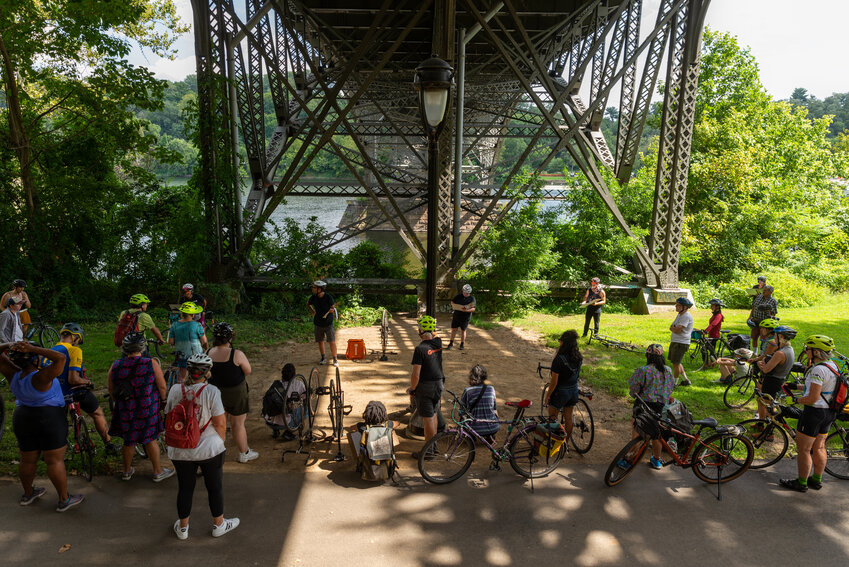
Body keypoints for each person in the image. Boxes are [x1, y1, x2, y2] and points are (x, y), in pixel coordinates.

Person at [1, 340, 84, 511]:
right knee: (54, 461)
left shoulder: (12, 373)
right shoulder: (41, 377)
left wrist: (10, 344)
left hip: (23, 417)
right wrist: (33, 348)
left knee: (27, 459)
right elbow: (60, 358)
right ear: (34, 360)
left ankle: (28, 493)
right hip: (49, 418)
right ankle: (64, 499)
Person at [166, 353, 238, 539]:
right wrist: (219, 443)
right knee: (214, 487)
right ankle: (219, 525)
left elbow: (168, 416)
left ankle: (183, 529)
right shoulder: (212, 391)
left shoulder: (175, 389)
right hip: (209, 449)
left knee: (185, 488)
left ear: (189, 371)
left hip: (180, 450)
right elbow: (220, 423)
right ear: (206, 373)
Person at [108, 332, 173, 482]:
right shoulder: (150, 363)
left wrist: (119, 402)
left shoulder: (116, 365)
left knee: (129, 440)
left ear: (124, 349)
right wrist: (163, 401)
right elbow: (162, 387)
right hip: (147, 407)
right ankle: (157, 471)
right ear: (142, 348)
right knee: (150, 438)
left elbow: (111, 388)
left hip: (126, 408)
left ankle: (126, 471)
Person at [780, 335, 839, 492]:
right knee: (819, 447)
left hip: (814, 413)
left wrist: (795, 401)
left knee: (804, 450)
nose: (805, 352)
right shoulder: (833, 366)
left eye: (808, 349)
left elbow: (812, 397)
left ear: (817, 353)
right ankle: (816, 480)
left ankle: (801, 483)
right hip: (828, 412)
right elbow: (821, 389)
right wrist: (795, 386)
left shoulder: (818, 369)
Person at [49, 323, 119, 454]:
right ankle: (108, 444)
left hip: (55, 395)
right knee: (97, 413)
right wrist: (87, 382)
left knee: (58, 423)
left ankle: (54, 450)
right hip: (74, 391)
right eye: (78, 341)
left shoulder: (50, 350)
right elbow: (73, 379)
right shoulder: (74, 350)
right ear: (75, 337)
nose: (78, 344)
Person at [207, 322, 258, 463]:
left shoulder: (208, 353)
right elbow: (247, 371)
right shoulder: (236, 354)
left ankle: (216, 453)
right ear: (230, 338)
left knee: (219, 423)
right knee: (238, 424)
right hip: (236, 393)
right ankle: (244, 453)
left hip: (215, 393)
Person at [627, 344, 676, 469]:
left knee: (637, 432)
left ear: (648, 356)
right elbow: (670, 387)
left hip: (642, 405)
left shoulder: (644, 370)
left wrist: (634, 394)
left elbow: (634, 390)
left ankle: (629, 459)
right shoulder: (668, 370)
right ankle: (656, 459)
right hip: (658, 407)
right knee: (655, 433)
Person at [408, 315, 444, 457]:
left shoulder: (420, 349)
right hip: (438, 384)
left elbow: (416, 374)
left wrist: (412, 389)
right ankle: (433, 446)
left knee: (428, 419)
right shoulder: (438, 343)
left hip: (425, 387)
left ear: (420, 331)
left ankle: (428, 451)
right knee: (434, 415)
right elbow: (435, 334)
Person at [544, 330, 582, 443]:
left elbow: (554, 382)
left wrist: (548, 395)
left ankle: (553, 442)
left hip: (560, 392)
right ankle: (565, 443)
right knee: (568, 418)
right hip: (573, 390)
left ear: (563, 343)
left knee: (552, 418)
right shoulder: (579, 357)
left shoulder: (559, 359)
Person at [754, 325, 796, 421]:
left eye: (775, 335)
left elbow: (766, 369)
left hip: (772, 382)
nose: (774, 337)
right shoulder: (790, 349)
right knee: (765, 402)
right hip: (780, 380)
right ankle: (761, 424)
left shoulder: (780, 353)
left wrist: (760, 365)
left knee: (767, 405)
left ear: (781, 336)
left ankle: (768, 430)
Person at [168, 302, 207, 381]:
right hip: (196, 355)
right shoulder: (197, 325)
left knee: (181, 377)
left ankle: (181, 390)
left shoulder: (174, 325)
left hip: (181, 354)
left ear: (182, 313)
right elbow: (204, 341)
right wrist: (206, 349)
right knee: (199, 376)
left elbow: (171, 342)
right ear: (193, 315)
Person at [460, 364, 499, 441]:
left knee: (463, 417)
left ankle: (471, 436)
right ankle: (489, 435)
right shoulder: (491, 389)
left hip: (475, 428)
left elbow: (462, 411)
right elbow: (494, 409)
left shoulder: (468, 391)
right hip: (493, 427)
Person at [306, 280, 338, 366]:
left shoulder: (328, 297)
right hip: (318, 323)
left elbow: (332, 308)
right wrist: (313, 312)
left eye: (315, 287)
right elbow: (308, 304)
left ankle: (335, 359)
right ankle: (323, 357)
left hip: (328, 323)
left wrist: (331, 310)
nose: (313, 289)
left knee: (331, 341)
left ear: (320, 289)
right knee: (320, 341)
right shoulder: (313, 297)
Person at [668, 297, 694, 386]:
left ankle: (674, 383)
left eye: (678, 305)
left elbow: (676, 330)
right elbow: (672, 326)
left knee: (676, 364)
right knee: (676, 362)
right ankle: (685, 380)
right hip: (676, 341)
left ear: (685, 307)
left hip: (681, 343)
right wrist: (673, 328)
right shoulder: (680, 315)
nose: (676, 306)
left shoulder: (686, 316)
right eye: (676, 305)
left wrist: (673, 328)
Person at [446, 284, 476, 351]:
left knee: (463, 330)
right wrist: (454, 306)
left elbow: (473, 308)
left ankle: (462, 344)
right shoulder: (458, 296)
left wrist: (467, 310)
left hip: (465, 317)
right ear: (463, 291)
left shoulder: (472, 299)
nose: (466, 294)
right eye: (465, 293)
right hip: (457, 315)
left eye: (468, 293)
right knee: (454, 329)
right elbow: (452, 302)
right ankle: (451, 343)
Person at [749, 285, 777, 351]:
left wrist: (769, 314)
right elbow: (753, 307)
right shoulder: (758, 297)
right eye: (763, 290)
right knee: (754, 337)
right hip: (755, 321)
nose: (763, 291)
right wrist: (750, 317)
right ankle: (755, 352)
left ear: (770, 292)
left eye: (765, 290)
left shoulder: (773, 301)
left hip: (765, 323)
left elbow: (774, 313)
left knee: (764, 338)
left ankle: (762, 352)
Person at [701, 298, 724, 365]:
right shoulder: (715, 314)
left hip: (715, 335)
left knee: (704, 349)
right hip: (711, 335)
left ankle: (707, 364)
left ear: (717, 306)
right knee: (710, 350)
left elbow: (713, 324)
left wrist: (706, 331)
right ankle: (712, 362)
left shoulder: (719, 316)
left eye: (712, 305)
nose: (711, 306)